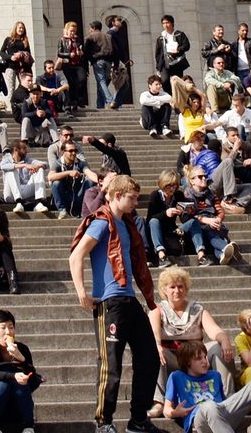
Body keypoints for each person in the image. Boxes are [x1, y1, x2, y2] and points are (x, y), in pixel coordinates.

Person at [71, 173, 162, 433]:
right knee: (110, 365)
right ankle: (104, 422)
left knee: (150, 357)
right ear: (118, 195)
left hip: (129, 298)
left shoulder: (126, 224)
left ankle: (138, 420)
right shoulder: (102, 222)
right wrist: (81, 292)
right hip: (109, 302)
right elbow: (76, 255)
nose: (136, 203)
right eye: (132, 198)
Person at [0, 309, 43, 433]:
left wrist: (21, 358)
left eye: (11, 327)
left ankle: (29, 426)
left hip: (18, 408)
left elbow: (32, 377)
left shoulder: (22, 349)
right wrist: (13, 376)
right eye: (3, 327)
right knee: (1, 385)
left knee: (20, 384)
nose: (8, 332)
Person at [150, 267, 228, 375]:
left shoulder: (198, 309)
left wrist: (224, 340)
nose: (177, 291)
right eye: (172, 287)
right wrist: (157, 345)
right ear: (164, 290)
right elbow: (154, 333)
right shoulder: (157, 310)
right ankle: (160, 387)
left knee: (218, 347)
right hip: (171, 358)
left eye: (180, 286)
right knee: (153, 350)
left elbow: (214, 330)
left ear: (186, 289)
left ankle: (224, 386)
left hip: (196, 357)